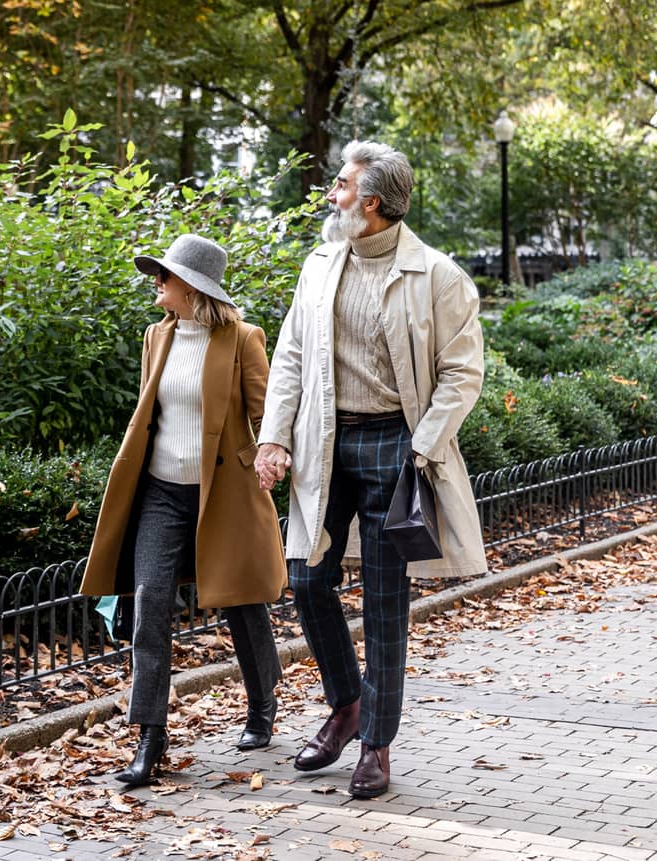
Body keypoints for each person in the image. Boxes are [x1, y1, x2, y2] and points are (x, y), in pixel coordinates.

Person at [254, 141, 487, 799]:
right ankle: (347, 702)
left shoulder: (437, 276)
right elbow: (292, 356)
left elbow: (463, 372)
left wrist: (424, 446)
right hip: (325, 443)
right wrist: (275, 438)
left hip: (397, 448)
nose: (332, 193)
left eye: (342, 184)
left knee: (386, 603)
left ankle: (376, 745)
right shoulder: (321, 264)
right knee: (305, 577)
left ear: (373, 202)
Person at [81, 233, 288, 788]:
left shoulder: (243, 339)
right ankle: (150, 736)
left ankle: (262, 702)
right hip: (160, 494)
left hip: (222, 494)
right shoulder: (157, 337)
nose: (157, 282)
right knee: (150, 606)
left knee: (241, 604)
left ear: (192, 287)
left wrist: (264, 459)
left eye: (164, 276)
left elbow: (266, 414)